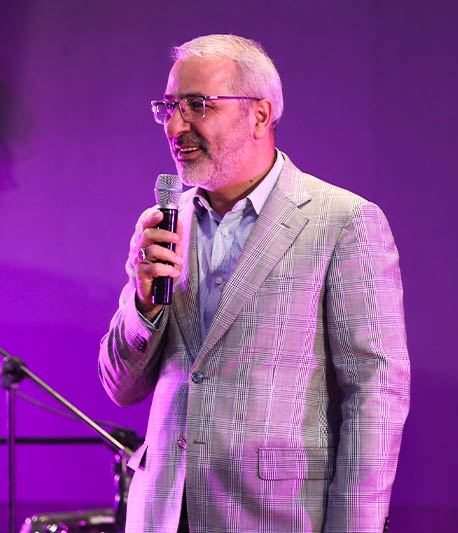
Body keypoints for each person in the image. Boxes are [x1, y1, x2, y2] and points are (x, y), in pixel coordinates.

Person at [98, 34, 410, 533]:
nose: (176, 126)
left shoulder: (342, 221)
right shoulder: (164, 224)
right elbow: (120, 386)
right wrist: (143, 302)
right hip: (162, 514)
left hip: (275, 515)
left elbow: (374, 393)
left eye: (197, 105)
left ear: (259, 115)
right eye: (169, 107)